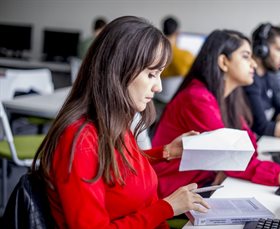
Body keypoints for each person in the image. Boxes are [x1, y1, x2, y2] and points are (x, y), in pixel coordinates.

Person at [32, 16, 209, 228]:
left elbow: (117, 169)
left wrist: (167, 152)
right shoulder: (80, 141)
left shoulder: (111, 122)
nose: (159, 87)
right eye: (152, 74)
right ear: (118, 71)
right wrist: (167, 207)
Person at [151, 30, 280, 199]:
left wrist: (228, 165)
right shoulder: (197, 99)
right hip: (177, 193)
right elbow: (238, 160)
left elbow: (247, 149)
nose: (253, 63)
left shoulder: (229, 97)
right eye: (245, 56)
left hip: (204, 183)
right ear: (224, 62)